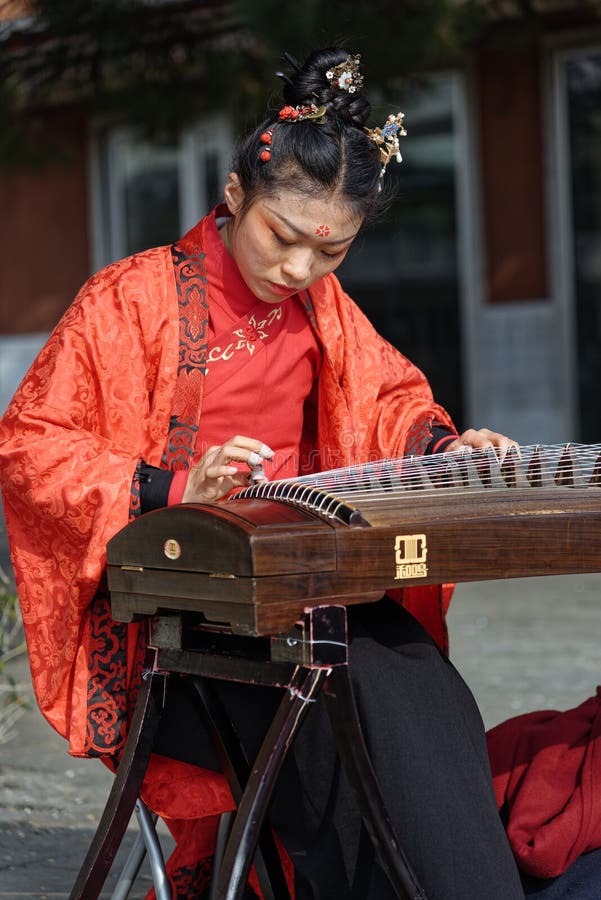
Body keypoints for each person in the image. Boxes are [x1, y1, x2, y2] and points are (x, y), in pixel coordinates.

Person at [0, 46, 525, 899]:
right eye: (281, 238)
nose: (297, 271)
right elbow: (29, 443)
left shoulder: (322, 308)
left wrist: (441, 449)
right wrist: (174, 488)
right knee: (347, 705)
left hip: (304, 579)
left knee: (422, 686)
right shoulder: (129, 298)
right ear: (236, 194)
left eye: (330, 253)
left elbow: (387, 397)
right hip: (185, 611)